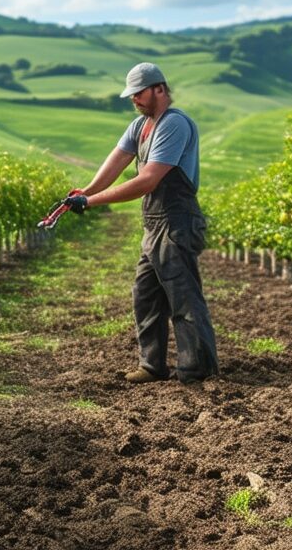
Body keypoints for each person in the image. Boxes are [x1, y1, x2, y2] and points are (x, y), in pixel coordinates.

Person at [62, 62, 219, 384]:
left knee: (183, 296)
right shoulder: (140, 126)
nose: (134, 99)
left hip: (177, 220)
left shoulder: (174, 124)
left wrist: (91, 202)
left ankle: (196, 368)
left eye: (138, 93)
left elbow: (147, 181)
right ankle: (152, 366)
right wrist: (86, 190)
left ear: (159, 89)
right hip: (154, 223)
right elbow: (117, 160)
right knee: (145, 295)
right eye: (131, 94)